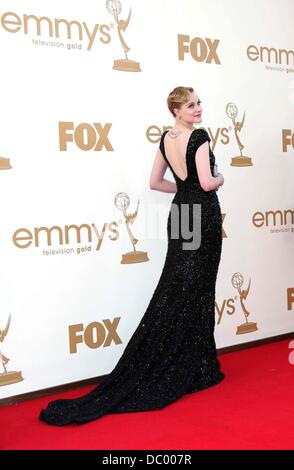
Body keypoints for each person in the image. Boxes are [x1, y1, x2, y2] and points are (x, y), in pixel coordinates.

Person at [39, 86, 225, 426]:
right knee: (197, 287)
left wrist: (184, 190)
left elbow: (156, 183)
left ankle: (191, 361)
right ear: (177, 110)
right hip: (202, 214)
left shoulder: (165, 139)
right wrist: (219, 177)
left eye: (198, 103)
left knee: (179, 284)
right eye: (190, 105)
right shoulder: (199, 137)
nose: (198, 109)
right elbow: (208, 183)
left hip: (181, 211)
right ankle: (199, 366)